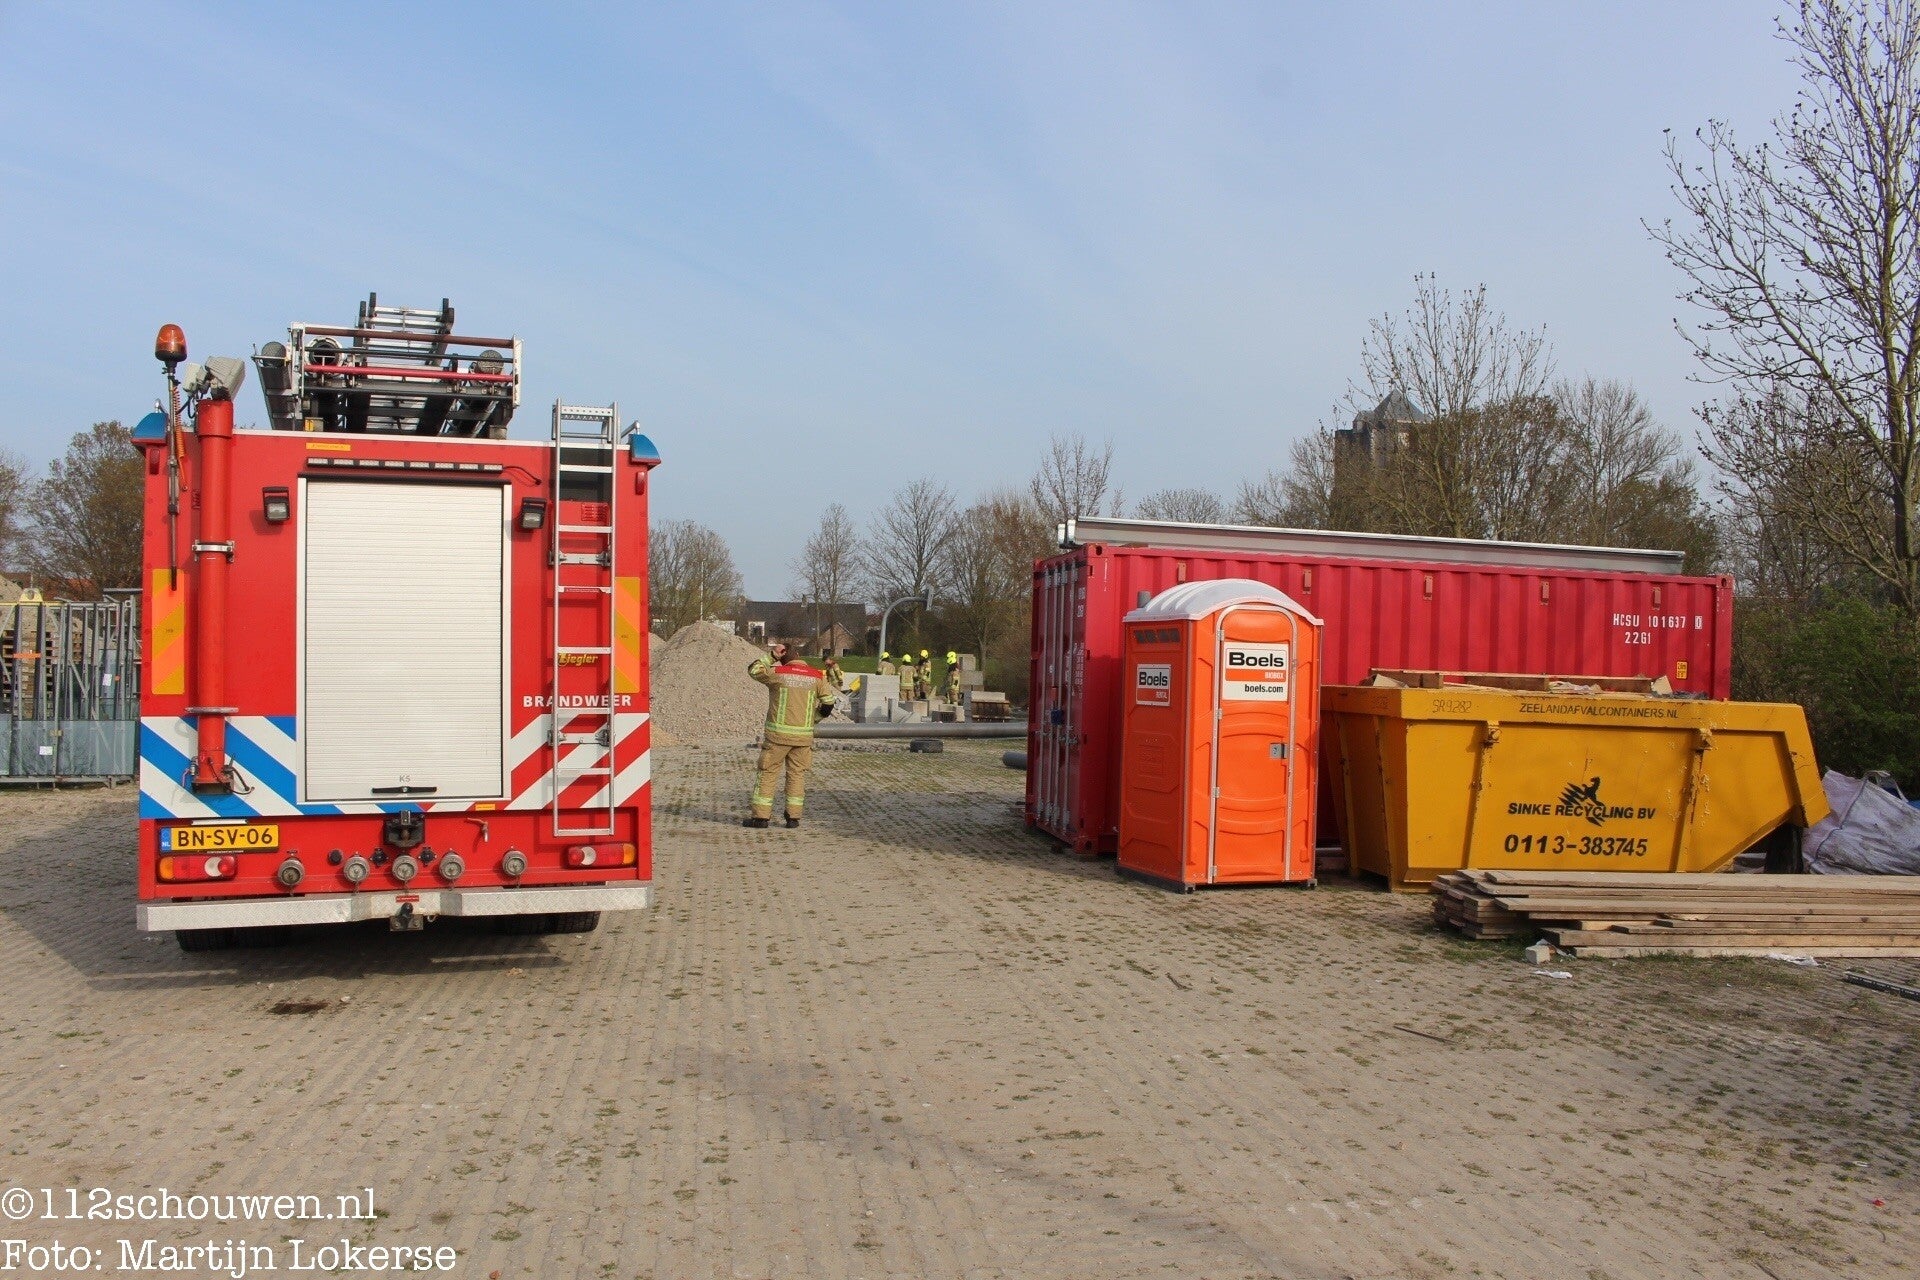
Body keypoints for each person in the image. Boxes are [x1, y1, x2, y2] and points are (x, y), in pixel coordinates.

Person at [743, 641, 836, 829]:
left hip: (777, 738)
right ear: (798, 656)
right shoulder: (817, 676)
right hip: (803, 738)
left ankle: (761, 818)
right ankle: (793, 818)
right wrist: (812, 719)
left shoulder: (778, 673)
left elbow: (753, 670)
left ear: (782, 659)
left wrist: (772, 656)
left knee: (768, 773)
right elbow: (828, 703)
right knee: (796, 775)